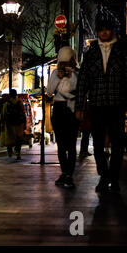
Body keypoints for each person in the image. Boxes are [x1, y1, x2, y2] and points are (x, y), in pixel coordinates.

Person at [76, 19, 127, 193]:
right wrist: (79, 106)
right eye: (101, 30)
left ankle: (114, 178)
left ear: (112, 31)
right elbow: (83, 81)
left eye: (107, 30)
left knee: (117, 144)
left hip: (117, 104)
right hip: (97, 104)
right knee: (99, 143)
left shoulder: (121, 52)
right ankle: (104, 175)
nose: (104, 33)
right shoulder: (91, 52)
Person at [47, 46, 79, 188]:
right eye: (63, 62)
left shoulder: (77, 73)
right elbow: (49, 91)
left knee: (71, 144)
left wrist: (71, 76)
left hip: (71, 109)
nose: (65, 65)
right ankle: (65, 172)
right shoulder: (55, 73)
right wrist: (58, 78)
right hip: (59, 108)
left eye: (68, 62)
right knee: (60, 144)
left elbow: (78, 90)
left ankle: (69, 174)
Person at [0, 89, 26, 160]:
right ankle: (18, 152)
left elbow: (2, 115)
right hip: (19, 125)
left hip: (9, 125)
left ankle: (9, 152)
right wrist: (24, 124)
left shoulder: (7, 104)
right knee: (19, 139)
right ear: (16, 95)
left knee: (9, 140)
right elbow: (23, 114)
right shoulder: (20, 103)